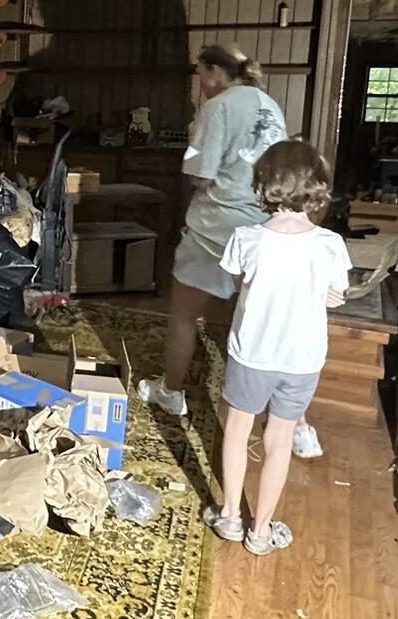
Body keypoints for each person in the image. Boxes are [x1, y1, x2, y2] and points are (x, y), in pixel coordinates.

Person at [135, 45, 323, 455]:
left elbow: (199, 175)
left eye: (201, 75)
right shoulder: (270, 105)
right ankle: (297, 425)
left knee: (184, 314)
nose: (200, 85)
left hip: (216, 229)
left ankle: (171, 391)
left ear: (216, 72)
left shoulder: (218, 107)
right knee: (266, 320)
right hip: (266, 229)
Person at [207, 139, 349, 555]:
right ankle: (262, 531)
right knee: (280, 439)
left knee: (237, 431)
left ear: (263, 183)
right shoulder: (330, 244)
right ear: (317, 186)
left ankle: (231, 516)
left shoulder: (246, 238)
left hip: (253, 351)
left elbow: (237, 284)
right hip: (302, 358)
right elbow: (335, 294)